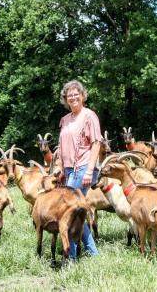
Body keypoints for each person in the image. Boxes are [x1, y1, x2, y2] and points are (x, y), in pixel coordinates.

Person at [58, 79, 101, 261]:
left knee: (70, 212)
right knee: (77, 212)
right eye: (69, 95)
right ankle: (93, 254)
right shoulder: (65, 120)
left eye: (77, 94)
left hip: (83, 168)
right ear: (65, 99)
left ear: (83, 96)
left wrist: (90, 171)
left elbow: (96, 143)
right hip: (69, 171)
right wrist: (61, 169)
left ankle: (72, 259)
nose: (73, 97)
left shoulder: (89, 116)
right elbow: (62, 146)